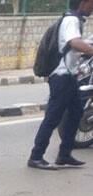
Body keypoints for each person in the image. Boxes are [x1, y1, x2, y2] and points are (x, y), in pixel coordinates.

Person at [27, 0, 93, 170]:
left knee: (76, 112)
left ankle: (64, 154)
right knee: (53, 117)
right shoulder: (71, 20)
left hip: (69, 76)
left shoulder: (75, 19)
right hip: (61, 76)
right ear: (83, 3)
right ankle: (36, 156)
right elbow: (74, 43)